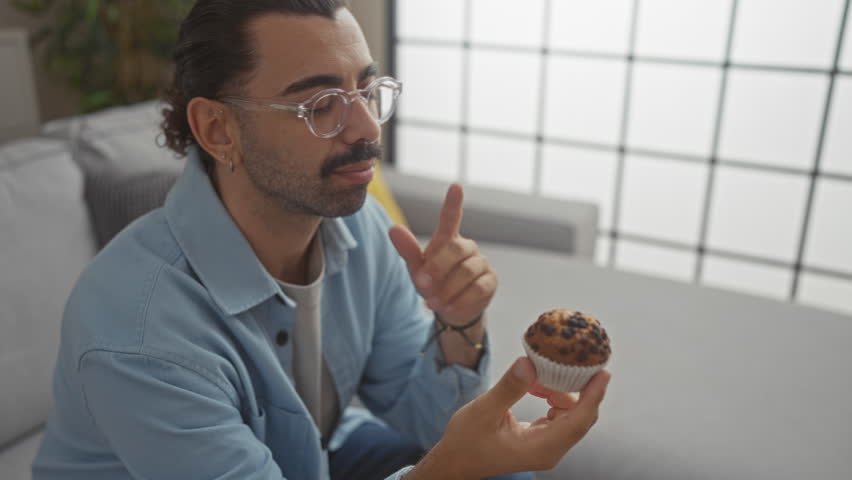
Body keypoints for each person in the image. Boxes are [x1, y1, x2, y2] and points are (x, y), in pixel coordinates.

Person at [31, 1, 611, 478]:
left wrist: (459, 325)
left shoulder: (362, 230)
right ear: (217, 128)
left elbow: (434, 419)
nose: (366, 128)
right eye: (320, 105)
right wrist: (450, 470)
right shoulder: (136, 333)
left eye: (367, 90)